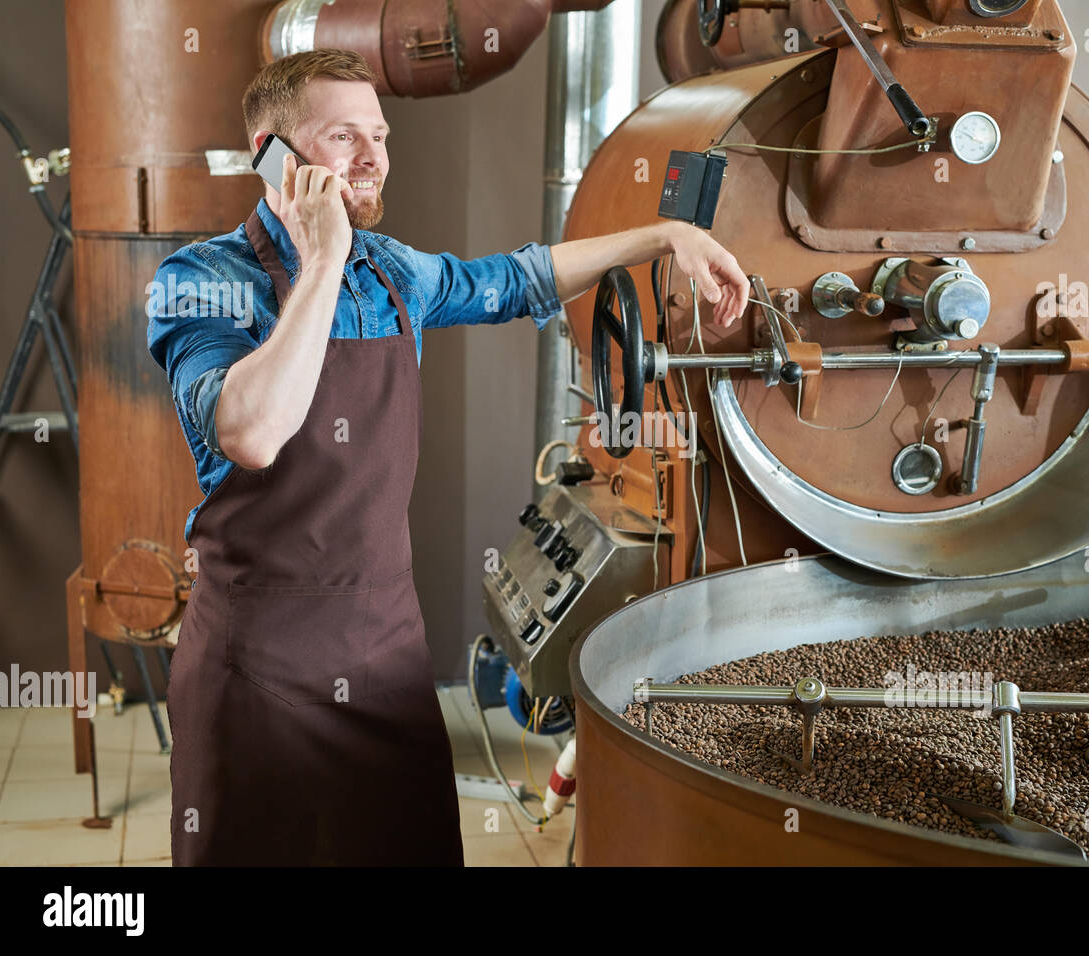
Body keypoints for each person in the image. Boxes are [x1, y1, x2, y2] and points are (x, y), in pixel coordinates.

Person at [146, 48, 749, 866]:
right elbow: (251, 431)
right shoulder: (201, 279)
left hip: (383, 649)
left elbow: (518, 279)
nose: (371, 160)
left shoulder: (392, 273)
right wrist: (319, 261)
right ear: (273, 155)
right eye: (342, 138)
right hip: (257, 665)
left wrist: (664, 234)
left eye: (381, 137)